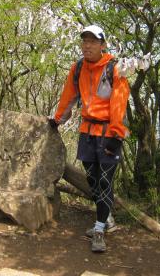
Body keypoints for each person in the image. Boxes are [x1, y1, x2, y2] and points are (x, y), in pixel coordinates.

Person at [48, 25, 130, 253]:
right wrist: (57, 119)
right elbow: (69, 96)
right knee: (93, 180)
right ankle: (108, 220)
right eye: (85, 40)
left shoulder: (115, 68)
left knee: (105, 181)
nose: (87, 45)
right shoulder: (78, 68)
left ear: (103, 45)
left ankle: (99, 229)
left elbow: (119, 103)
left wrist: (115, 133)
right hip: (87, 133)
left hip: (108, 134)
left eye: (93, 41)